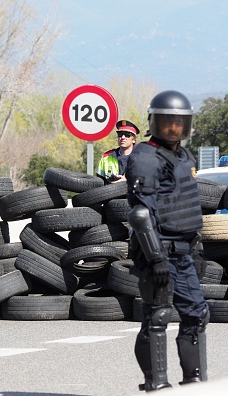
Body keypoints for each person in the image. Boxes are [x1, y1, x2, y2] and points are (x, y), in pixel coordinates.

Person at [125, 90, 208, 392]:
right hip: (156, 250)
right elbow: (140, 215)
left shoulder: (185, 156)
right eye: (167, 122)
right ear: (155, 122)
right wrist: (156, 258)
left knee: (197, 314)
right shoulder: (145, 157)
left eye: (179, 123)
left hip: (184, 251)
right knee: (158, 316)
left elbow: (187, 205)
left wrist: (196, 248)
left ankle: (194, 382)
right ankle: (156, 383)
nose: (173, 128)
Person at [96, 119, 140, 184]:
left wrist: (128, 180)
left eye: (127, 135)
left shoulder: (142, 158)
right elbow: (98, 182)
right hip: (110, 193)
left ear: (134, 140)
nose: (122, 137)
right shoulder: (106, 157)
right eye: (120, 134)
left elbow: (149, 182)